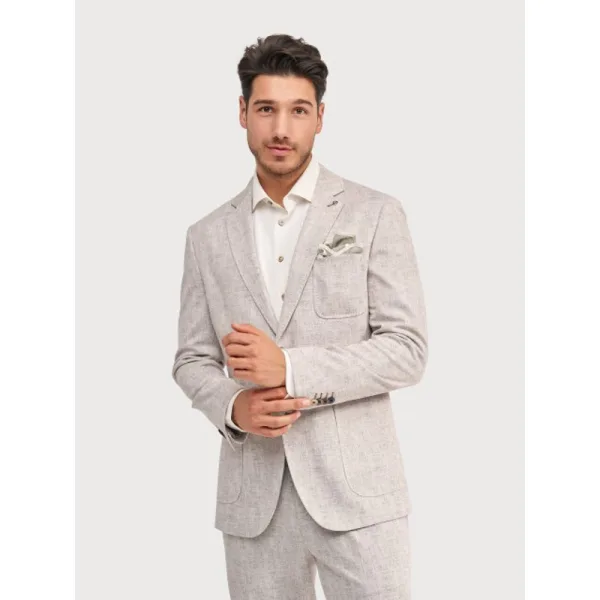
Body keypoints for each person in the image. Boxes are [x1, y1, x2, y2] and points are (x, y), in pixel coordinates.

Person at [171, 33, 428, 600]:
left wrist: (288, 369)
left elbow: (407, 349)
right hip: (254, 504)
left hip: (361, 499)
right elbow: (191, 359)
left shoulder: (374, 214)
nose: (281, 128)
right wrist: (233, 406)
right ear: (243, 113)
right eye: (266, 109)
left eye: (298, 110)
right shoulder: (206, 236)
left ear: (320, 118)